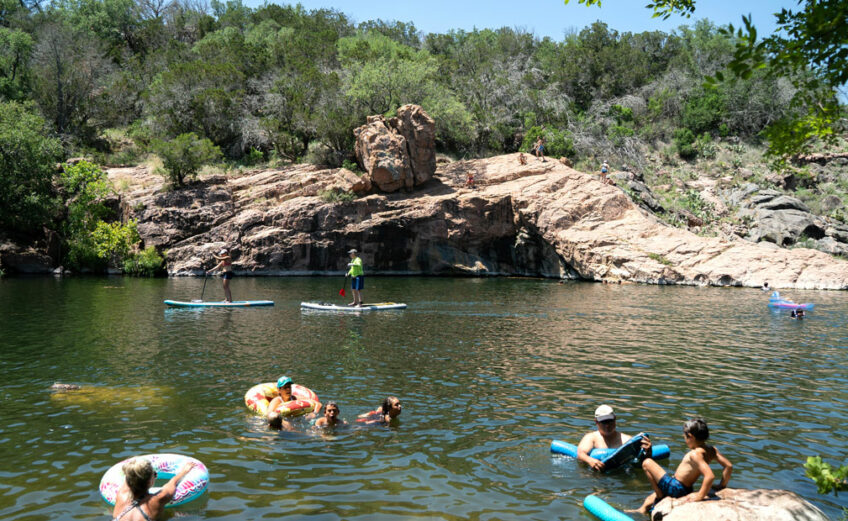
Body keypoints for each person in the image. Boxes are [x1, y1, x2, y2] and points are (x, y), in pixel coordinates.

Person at [632, 418, 733, 515]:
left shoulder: (695, 454)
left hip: (676, 487)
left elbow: (710, 476)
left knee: (647, 462)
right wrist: (722, 485)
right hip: (686, 489)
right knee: (649, 500)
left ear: (690, 436)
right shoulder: (712, 450)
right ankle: (642, 510)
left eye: (685, 437)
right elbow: (728, 466)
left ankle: (660, 495)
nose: (685, 440)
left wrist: (700, 496)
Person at [111, 457, 196, 521]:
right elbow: (172, 482)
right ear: (149, 482)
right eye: (154, 474)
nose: (155, 476)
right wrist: (184, 471)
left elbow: (130, 477)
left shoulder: (121, 494)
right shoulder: (158, 499)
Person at [577, 405, 649, 471]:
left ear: (615, 419)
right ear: (596, 422)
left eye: (610, 421)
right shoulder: (591, 438)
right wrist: (590, 460)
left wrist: (648, 452)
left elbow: (639, 462)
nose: (607, 425)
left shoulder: (626, 440)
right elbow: (581, 453)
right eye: (604, 422)